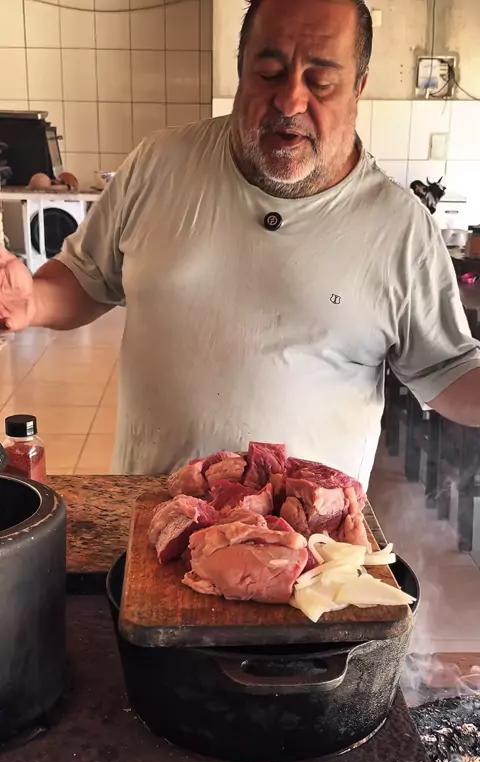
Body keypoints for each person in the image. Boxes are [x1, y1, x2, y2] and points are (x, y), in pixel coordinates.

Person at [0, 0, 479, 487]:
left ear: (358, 88)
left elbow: (447, 368)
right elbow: (86, 278)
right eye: (269, 73)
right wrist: (32, 301)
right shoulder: (160, 165)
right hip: (157, 519)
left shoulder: (399, 228)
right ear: (241, 71)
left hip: (306, 532)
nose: (290, 102)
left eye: (320, 81)